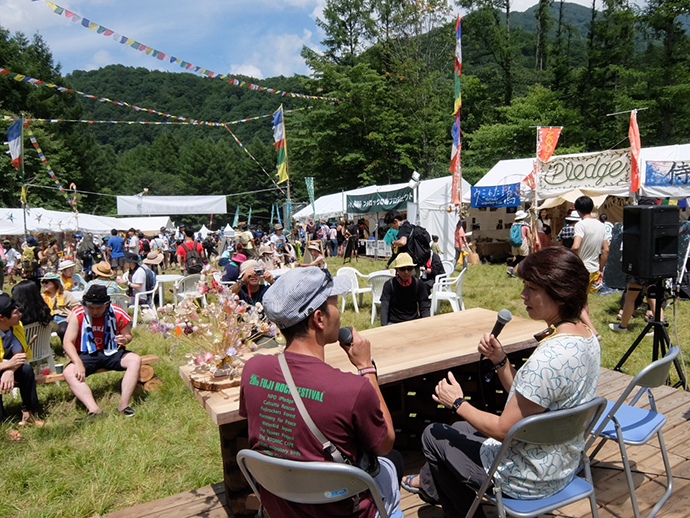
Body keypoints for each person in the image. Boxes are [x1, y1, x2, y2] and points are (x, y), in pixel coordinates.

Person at [402, 247, 600, 517]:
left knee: (433, 435)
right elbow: (530, 398)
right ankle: (433, 487)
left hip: (527, 478)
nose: (523, 295)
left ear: (560, 293)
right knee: (461, 427)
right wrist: (500, 360)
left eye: (531, 287)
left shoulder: (547, 358)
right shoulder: (586, 337)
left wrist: (457, 402)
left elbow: (503, 430)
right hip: (561, 464)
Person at [239, 267, 403, 518]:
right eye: (335, 304)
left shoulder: (252, 370)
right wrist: (366, 369)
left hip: (281, 507)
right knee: (393, 462)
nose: (340, 311)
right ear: (319, 318)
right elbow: (384, 444)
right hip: (344, 511)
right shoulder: (352, 389)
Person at [62, 285, 140, 419]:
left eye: (99, 308)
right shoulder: (79, 314)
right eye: (91, 307)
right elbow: (67, 342)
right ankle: (93, 409)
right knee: (68, 372)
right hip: (86, 353)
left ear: (107, 304)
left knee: (135, 360)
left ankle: (123, 405)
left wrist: (125, 340)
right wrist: (78, 363)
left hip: (112, 350)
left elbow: (128, 336)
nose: (94, 311)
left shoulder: (117, 312)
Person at [0, 294, 42, 437]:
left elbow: (18, 357)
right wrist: (9, 365)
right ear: (2, 317)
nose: (20, 314)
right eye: (15, 313)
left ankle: (28, 414)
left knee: (26, 370)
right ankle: (2, 423)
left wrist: (10, 369)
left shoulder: (16, 327)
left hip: (5, 366)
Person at [571, 195, 608, 340]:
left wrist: (567, 256)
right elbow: (605, 250)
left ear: (577, 210)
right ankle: (583, 329)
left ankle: (593, 332)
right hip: (593, 269)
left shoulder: (581, 225)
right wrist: (601, 269)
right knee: (584, 300)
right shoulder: (600, 225)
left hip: (580, 268)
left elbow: (576, 246)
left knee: (576, 302)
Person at [380, 253, 431, 326]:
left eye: (409, 268)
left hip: (413, 322)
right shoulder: (389, 285)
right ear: (397, 269)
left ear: (413, 268)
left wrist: (426, 325)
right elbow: (384, 308)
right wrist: (384, 328)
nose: (406, 272)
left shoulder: (419, 284)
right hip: (394, 323)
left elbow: (424, 307)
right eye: (402, 268)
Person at [41, 272, 80, 342]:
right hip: (49, 320)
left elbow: (77, 307)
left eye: (46, 282)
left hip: (63, 318)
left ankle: (65, 346)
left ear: (55, 283)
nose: (44, 284)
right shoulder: (42, 296)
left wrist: (69, 318)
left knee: (62, 331)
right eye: (42, 282)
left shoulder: (65, 294)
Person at [507, 210, 532, 277]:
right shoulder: (525, 225)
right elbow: (529, 236)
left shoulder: (513, 225)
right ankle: (523, 273)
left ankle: (511, 268)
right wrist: (532, 243)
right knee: (524, 258)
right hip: (522, 243)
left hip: (514, 244)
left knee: (518, 258)